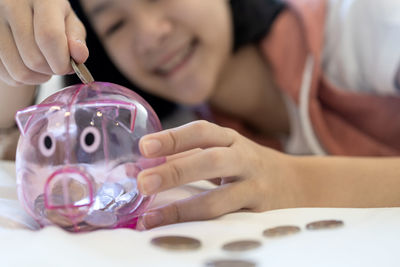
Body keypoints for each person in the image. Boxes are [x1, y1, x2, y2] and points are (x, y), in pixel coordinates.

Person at [0, 0, 399, 231]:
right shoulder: (171, 131)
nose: (151, 32)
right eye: (116, 23)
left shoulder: (367, 25)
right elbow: (14, 146)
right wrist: (17, 56)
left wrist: (293, 179)